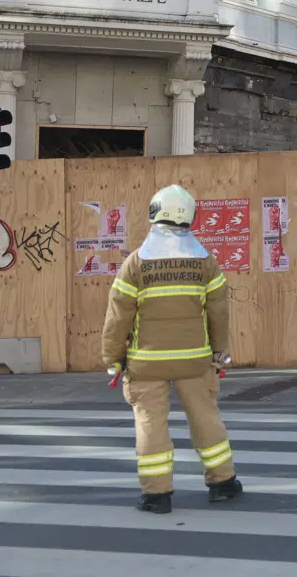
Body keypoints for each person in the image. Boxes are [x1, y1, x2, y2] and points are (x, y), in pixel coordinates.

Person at [101, 185, 242, 515]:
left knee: (150, 424)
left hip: (145, 362)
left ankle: (157, 495)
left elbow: (118, 314)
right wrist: (218, 353)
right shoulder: (205, 262)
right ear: (190, 216)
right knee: (205, 419)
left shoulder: (136, 263)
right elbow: (218, 312)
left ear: (154, 212)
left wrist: (112, 358)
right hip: (194, 360)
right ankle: (222, 483)